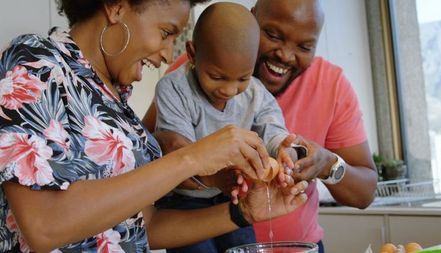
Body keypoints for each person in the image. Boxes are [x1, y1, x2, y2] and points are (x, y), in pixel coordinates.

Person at [0, 0, 310, 252]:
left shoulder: (115, 102)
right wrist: (192, 158)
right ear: (116, 7)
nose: (165, 55)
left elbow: (144, 227)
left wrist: (244, 212)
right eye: (166, 33)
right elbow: (43, 226)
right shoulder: (36, 62)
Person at [142, 0, 378, 252]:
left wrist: (300, 155)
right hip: (195, 210)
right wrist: (212, 174)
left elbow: (276, 134)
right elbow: (158, 155)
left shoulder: (271, 91)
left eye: (304, 46)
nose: (229, 90)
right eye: (274, 35)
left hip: (284, 236)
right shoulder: (187, 75)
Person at [152, 3, 297, 253]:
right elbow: (177, 154)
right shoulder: (174, 89)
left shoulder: (255, 92)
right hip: (182, 202)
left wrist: (284, 151)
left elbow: (272, 129)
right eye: (217, 77)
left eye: (242, 78)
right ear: (193, 53)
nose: (229, 90)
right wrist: (213, 176)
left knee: (247, 248)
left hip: (230, 197)